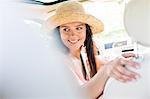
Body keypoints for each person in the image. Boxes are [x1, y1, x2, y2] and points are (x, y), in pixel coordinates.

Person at [43, 1, 141, 99]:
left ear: (86, 30)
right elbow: (77, 96)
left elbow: (102, 63)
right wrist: (107, 70)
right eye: (66, 29)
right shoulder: (55, 60)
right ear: (58, 33)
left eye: (79, 28)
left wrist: (118, 61)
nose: (73, 35)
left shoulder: (83, 55)